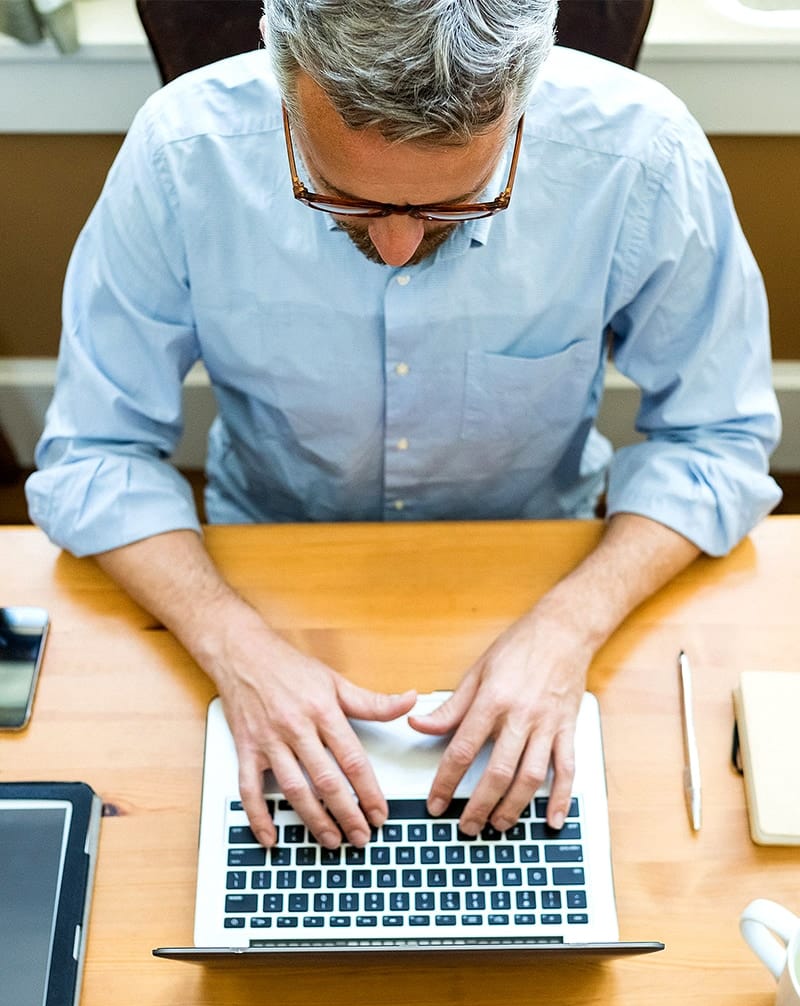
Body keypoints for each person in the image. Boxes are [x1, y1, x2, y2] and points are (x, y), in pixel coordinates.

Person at [27, 0, 780, 852]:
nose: (394, 248)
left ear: (525, 107)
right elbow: (95, 454)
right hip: (263, 576)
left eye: (455, 208)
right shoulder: (180, 154)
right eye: (340, 198)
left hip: (540, 574)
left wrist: (572, 625)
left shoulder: (641, 154)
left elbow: (717, 437)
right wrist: (234, 648)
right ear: (283, 80)